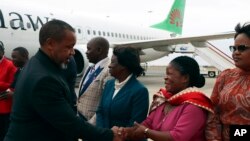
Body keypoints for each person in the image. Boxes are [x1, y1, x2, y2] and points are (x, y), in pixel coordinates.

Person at [3, 19, 121, 141]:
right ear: (50, 44)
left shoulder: (37, 64)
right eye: (69, 47)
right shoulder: (44, 79)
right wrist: (110, 135)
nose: (73, 52)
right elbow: (69, 123)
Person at [120, 56, 214, 141]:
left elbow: (177, 137)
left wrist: (146, 131)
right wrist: (124, 132)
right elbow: (148, 123)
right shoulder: (164, 100)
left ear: (185, 78)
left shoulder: (194, 106)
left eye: (169, 74)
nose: (165, 78)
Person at [205, 22, 250, 141]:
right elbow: (212, 113)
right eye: (234, 48)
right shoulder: (225, 76)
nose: (236, 52)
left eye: (242, 48)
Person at [96, 47, 149, 138]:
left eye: (112, 62)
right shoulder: (109, 84)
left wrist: (115, 136)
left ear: (123, 66)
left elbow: (135, 125)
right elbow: (100, 111)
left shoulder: (140, 91)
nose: (109, 65)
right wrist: (105, 134)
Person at [77, 36, 111, 124]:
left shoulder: (109, 70)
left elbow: (105, 104)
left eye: (89, 49)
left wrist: (90, 125)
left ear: (99, 50)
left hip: (93, 124)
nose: (86, 52)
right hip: (81, 119)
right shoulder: (90, 67)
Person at [0, 42, 17, 141]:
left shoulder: (10, 65)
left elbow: (13, 85)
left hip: (4, 107)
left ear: (2, 52)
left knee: (4, 133)